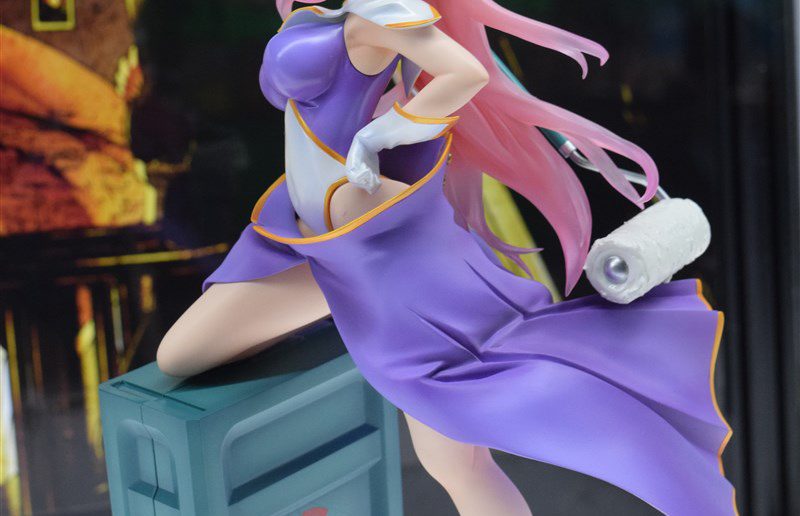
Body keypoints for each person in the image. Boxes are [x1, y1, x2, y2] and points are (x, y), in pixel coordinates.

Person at [157, 1, 738, 514]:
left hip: (372, 244)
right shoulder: (325, 12)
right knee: (178, 355)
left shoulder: (379, 12)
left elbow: (466, 73)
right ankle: (345, 314)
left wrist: (381, 135)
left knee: (455, 455)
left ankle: (643, 423)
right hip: (304, 238)